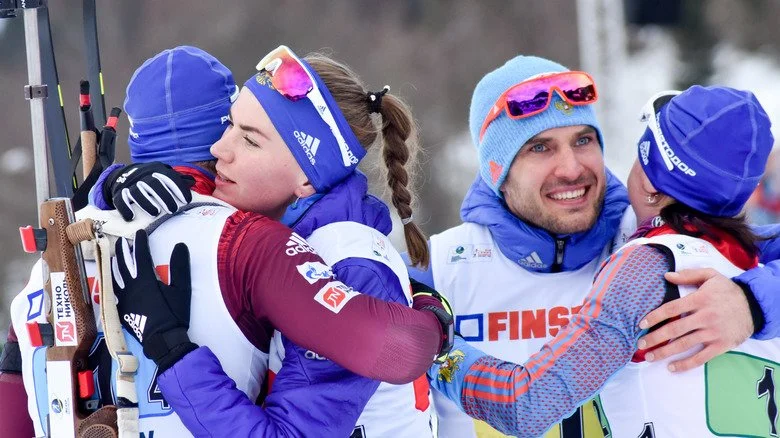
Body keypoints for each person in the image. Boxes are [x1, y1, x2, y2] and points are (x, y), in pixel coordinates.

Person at [9, 46, 451, 437]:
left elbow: (396, 344)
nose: (220, 149)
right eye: (229, 126)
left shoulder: (336, 256)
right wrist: (105, 186)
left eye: (249, 139)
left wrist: (171, 347)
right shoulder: (275, 238)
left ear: (305, 178)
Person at [406, 55, 780, 437]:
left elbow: (527, 405)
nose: (571, 168)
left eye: (583, 140)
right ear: (497, 169)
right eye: (540, 148)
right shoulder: (433, 270)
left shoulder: (650, 248)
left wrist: (753, 303)